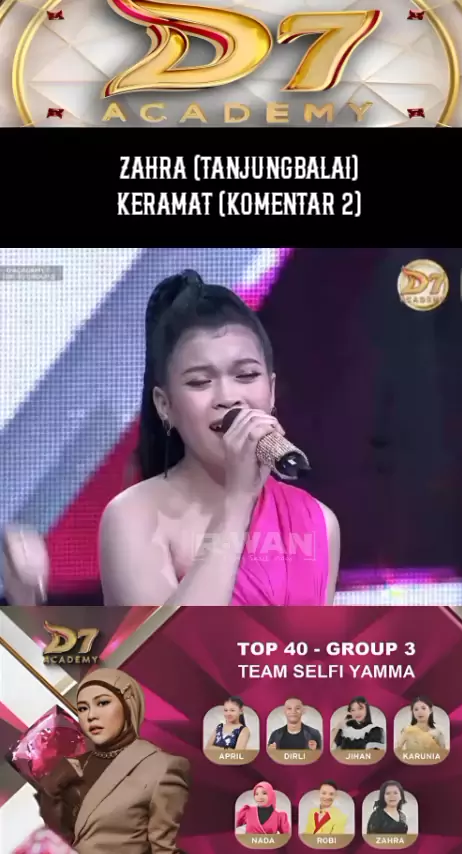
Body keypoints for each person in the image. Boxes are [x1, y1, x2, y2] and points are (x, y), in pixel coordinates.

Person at [3, 270, 340, 607]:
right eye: (200, 382)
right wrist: (237, 501)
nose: (229, 397)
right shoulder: (133, 518)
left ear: (271, 390)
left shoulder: (318, 522)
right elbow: (172, 641)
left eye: (247, 375)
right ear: (165, 406)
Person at [34, 668, 190, 853]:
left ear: (128, 704)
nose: (91, 715)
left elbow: (163, 849)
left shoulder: (162, 767)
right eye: (83, 708)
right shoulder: (73, 767)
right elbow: (64, 841)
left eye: (103, 703)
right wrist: (50, 791)